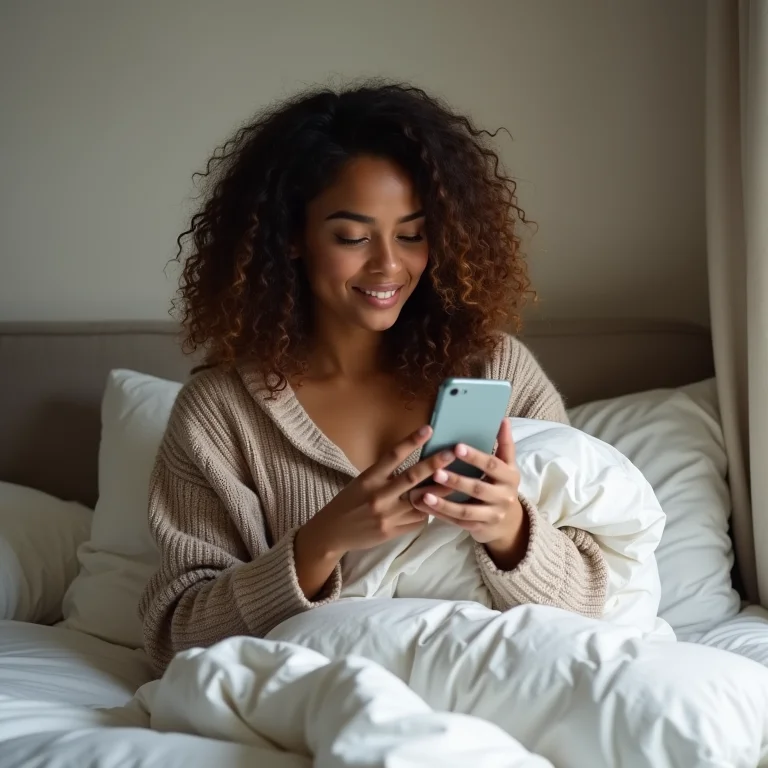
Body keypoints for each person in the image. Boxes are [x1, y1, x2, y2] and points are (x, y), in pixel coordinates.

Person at [139, 82, 608, 675]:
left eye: (412, 235)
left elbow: (594, 603)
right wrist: (320, 542)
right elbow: (174, 637)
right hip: (315, 695)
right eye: (353, 237)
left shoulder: (495, 369)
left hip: (488, 685)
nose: (389, 264)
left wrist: (510, 528)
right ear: (290, 238)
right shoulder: (221, 414)